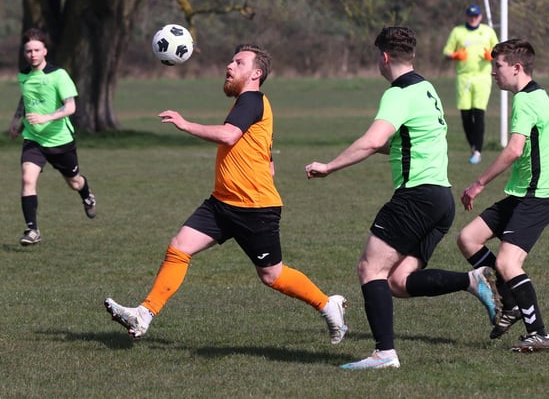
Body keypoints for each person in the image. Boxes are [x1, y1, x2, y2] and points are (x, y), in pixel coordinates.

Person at [104, 44, 347, 345]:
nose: (229, 66)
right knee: (179, 247)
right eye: (231, 61)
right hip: (222, 202)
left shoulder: (252, 100)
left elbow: (229, 135)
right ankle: (144, 314)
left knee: (272, 276)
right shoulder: (249, 104)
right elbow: (261, 149)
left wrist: (185, 124)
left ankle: (327, 304)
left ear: (256, 73)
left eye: (238, 62)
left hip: (254, 208)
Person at [305, 27, 501, 370]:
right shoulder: (427, 89)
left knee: (370, 269)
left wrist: (330, 166)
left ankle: (384, 354)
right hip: (441, 199)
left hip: (417, 198)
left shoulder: (399, 94)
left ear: (383, 57)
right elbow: (401, 144)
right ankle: (472, 280)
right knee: (398, 281)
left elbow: (371, 140)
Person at [457, 39, 549, 353]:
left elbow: (514, 149)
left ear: (517, 68)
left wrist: (478, 184)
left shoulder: (525, 101)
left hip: (538, 195)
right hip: (526, 191)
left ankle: (538, 333)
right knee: (468, 238)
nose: (493, 72)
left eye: (498, 66)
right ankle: (512, 300)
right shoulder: (540, 94)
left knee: (507, 262)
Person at [8, 28, 97, 246]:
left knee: (74, 183)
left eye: (37, 50)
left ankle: (87, 196)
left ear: (45, 51)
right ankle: (32, 230)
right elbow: (26, 97)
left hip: (60, 141)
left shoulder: (58, 75)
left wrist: (45, 117)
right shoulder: (23, 75)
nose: (33, 55)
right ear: (24, 53)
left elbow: (70, 107)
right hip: (33, 139)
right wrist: (17, 120)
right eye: (29, 51)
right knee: (27, 179)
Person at [443, 4, 498, 164]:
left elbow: (499, 50)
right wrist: (454, 55)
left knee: (479, 114)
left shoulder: (487, 31)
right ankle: (473, 146)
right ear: (467, 16)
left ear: (480, 16)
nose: (473, 19)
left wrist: (491, 55)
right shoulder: (457, 31)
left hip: (482, 77)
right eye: (471, 16)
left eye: (476, 16)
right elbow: (446, 52)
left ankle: (478, 151)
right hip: (463, 78)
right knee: (466, 116)